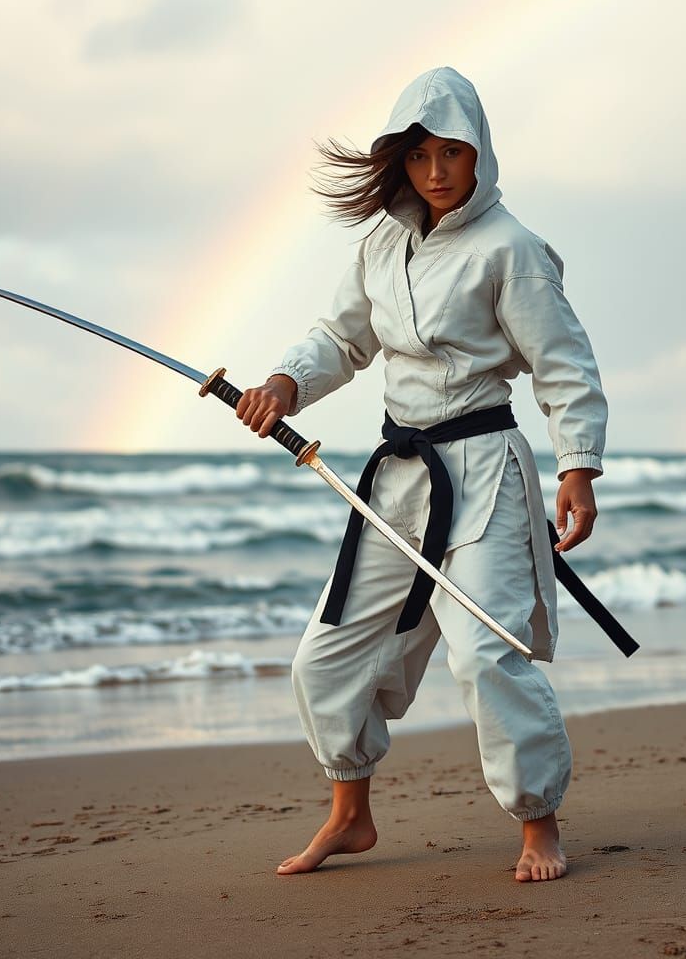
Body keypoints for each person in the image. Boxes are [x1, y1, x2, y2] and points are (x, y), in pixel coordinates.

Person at [235, 66, 607, 883]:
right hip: (399, 477)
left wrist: (578, 466)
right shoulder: (380, 244)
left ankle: (538, 822)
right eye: (418, 156)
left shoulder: (511, 248)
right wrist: (284, 385)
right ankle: (351, 815)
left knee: (486, 652)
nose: (436, 172)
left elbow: (564, 366)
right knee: (326, 658)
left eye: (451, 152)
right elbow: (340, 338)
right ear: (397, 161)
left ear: (479, 154)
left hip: (484, 472)